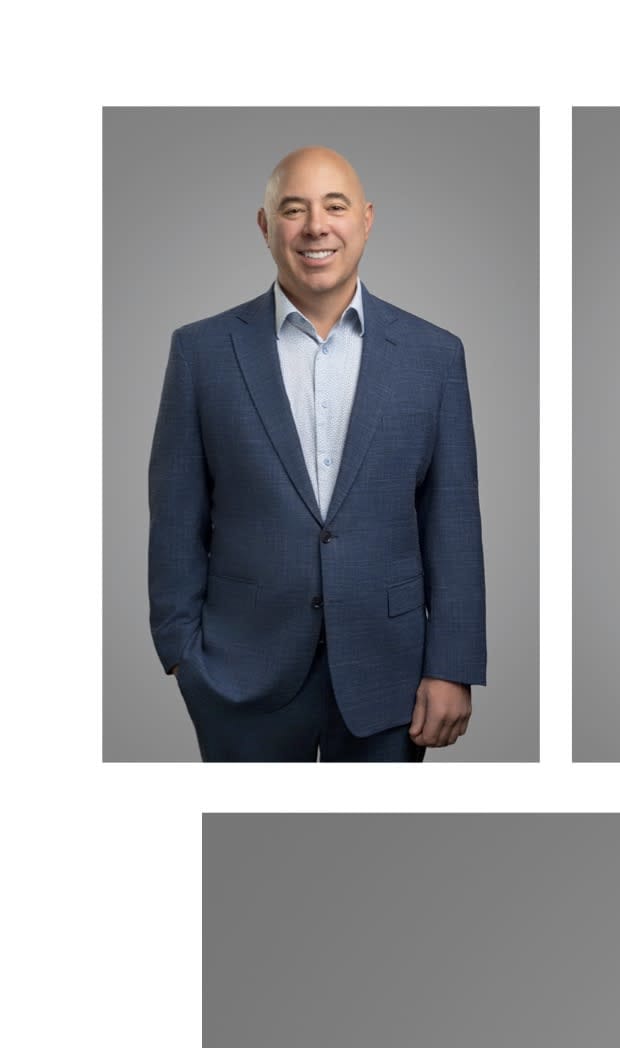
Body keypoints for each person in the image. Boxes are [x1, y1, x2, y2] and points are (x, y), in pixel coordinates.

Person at [149, 145, 485, 760]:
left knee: (374, 855)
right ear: (266, 226)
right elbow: (175, 517)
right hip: (240, 677)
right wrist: (182, 653)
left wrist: (453, 665)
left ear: (367, 219)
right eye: (293, 209)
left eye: (335, 206)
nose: (315, 226)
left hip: (394, 677)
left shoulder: (434, 356)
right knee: (249, 852)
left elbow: (453, 521)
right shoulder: (202, 353)